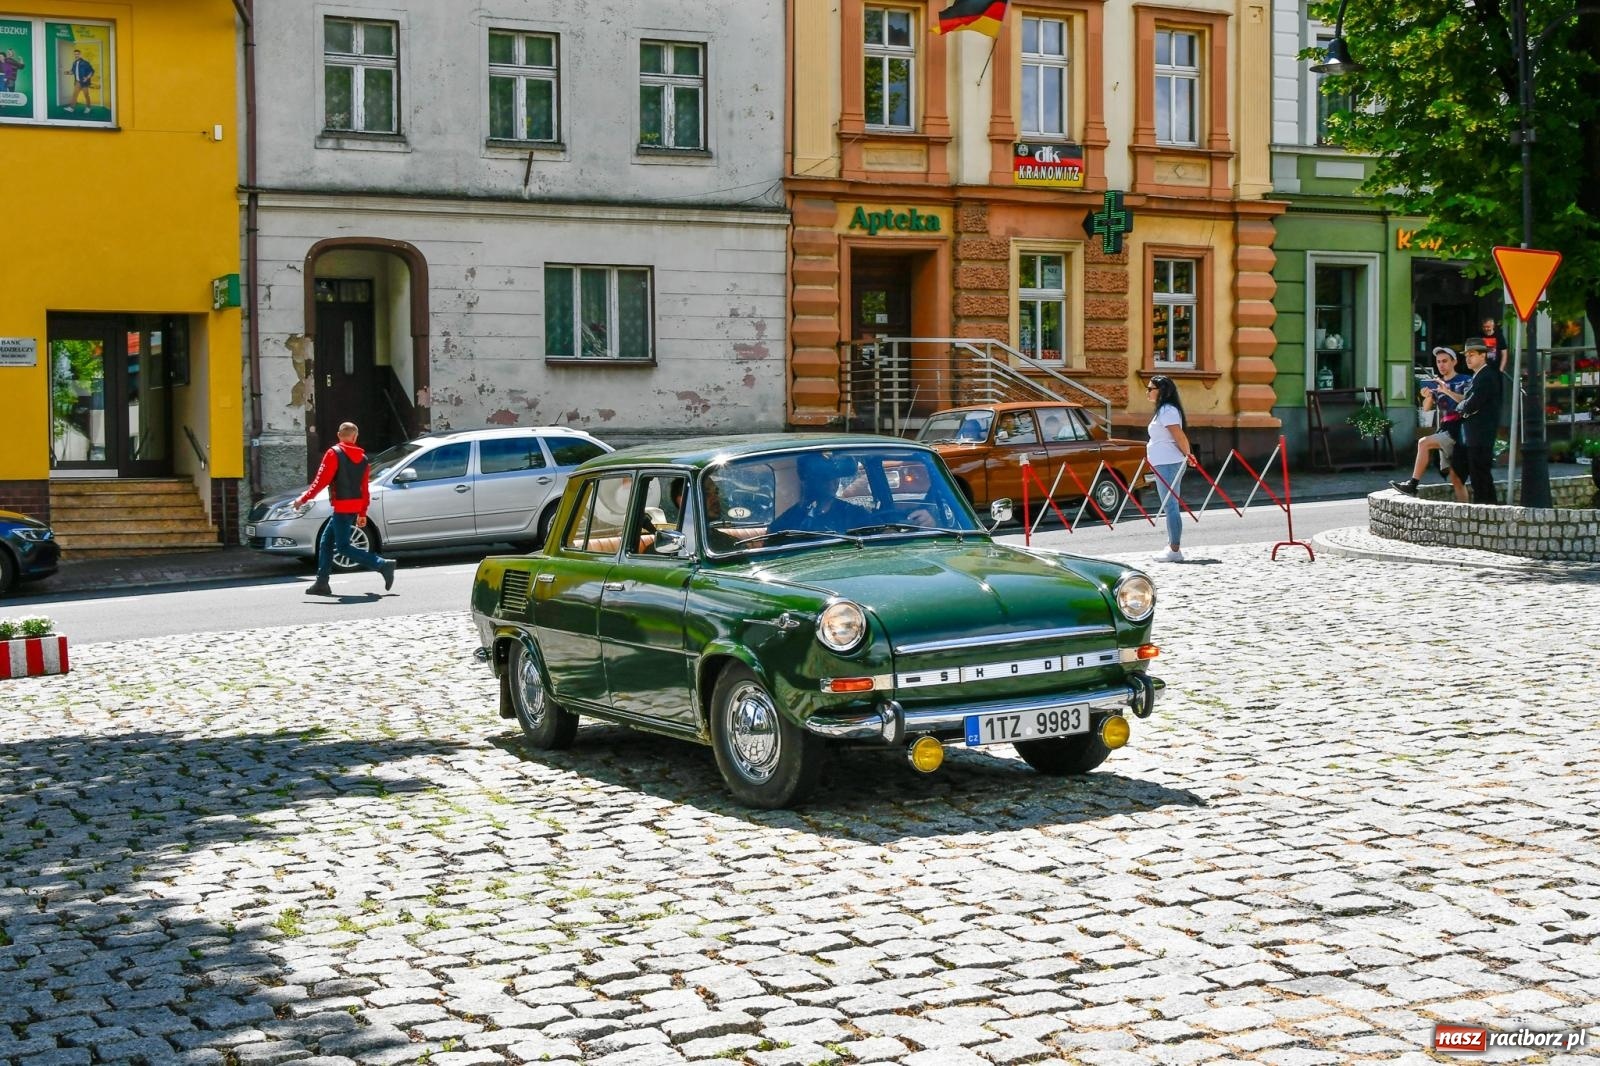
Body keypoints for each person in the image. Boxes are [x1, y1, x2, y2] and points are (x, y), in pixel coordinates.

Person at [295, 421, 396, 595]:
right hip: (354, 506)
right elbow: (365, 489)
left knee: (342, 547)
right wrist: (362, 512)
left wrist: (303, 499)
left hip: (342, 507)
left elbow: (321, 481)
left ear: (338, 435)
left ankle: (382, 564)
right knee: (326, 543)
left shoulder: (333, 453)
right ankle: (322, 583)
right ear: (355, 437)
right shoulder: (363, 459)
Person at [1391, 346, 1471, 500]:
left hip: (1460, 428)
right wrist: (1426, 396)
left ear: (1454, 362)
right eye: (1439, 362)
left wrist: (1446, 390)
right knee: (1456, 479)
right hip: (1445, 428)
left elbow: (1467, 402)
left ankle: (1412, 485)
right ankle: (1465, 512)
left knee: (1423, 443)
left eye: (1445, 361)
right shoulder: (1437, 384)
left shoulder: (1465, 380)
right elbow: (1427, 409)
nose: (1441, 365)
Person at [1144, 375, 1196, 563]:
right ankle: (1172, 546)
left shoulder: (1167, 410)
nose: (1147, 392)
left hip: (1168, 463)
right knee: (1169, 505)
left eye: (1151, 389)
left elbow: (1179, 435)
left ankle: (1174, 549)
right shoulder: (1164, 411)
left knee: (1171, 505)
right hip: (1163, 462)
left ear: (1162, 391)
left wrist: (1188, 455)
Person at [1451, 344, 1504, 504]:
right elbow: (1468, 404)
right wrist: (1464, 406)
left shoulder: (1486, 376)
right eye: (1466, 356)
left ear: (1483, 356)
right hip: (1475, 433)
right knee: (1477, 474)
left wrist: (1462, 407)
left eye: (1472, 355)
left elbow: (1471, 404)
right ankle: (1486, 508)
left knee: (1480, 474)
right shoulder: (1478, 376)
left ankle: (1487, 508)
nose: (1467, 359)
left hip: (1481, 433)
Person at [770, 452, 874, 534]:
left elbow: (877, 534)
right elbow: (773, 537)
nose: (832, 482)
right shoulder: (792, 519)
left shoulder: (854, 513)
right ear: (807, 481)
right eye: (825, 478)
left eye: (835, 477)